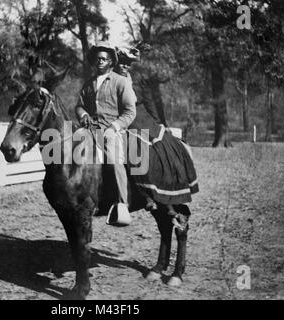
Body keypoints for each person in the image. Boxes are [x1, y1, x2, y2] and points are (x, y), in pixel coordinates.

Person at [114, 46, 199, 230]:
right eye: (121, 62)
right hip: (121, 120)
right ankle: (145, 195)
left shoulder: (136, 81)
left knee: (160, 145)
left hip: (142, 117)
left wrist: (160, 123)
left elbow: (149, 102)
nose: (124, 66)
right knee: (133, 146)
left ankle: (165, 196)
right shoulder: (110, 79)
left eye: (127, 63)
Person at [75, 41, 137, 226]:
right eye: (97, 59)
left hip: (111, 129)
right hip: (90, 129)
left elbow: (130, 111)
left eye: (104, 59)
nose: (100, 62)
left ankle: (122, 204)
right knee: (70, 148)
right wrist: (83, 114)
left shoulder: (120, 82)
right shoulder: (88, 84)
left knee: (113, 157)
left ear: (111, 62)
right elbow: (79, 106)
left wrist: (115, 127)